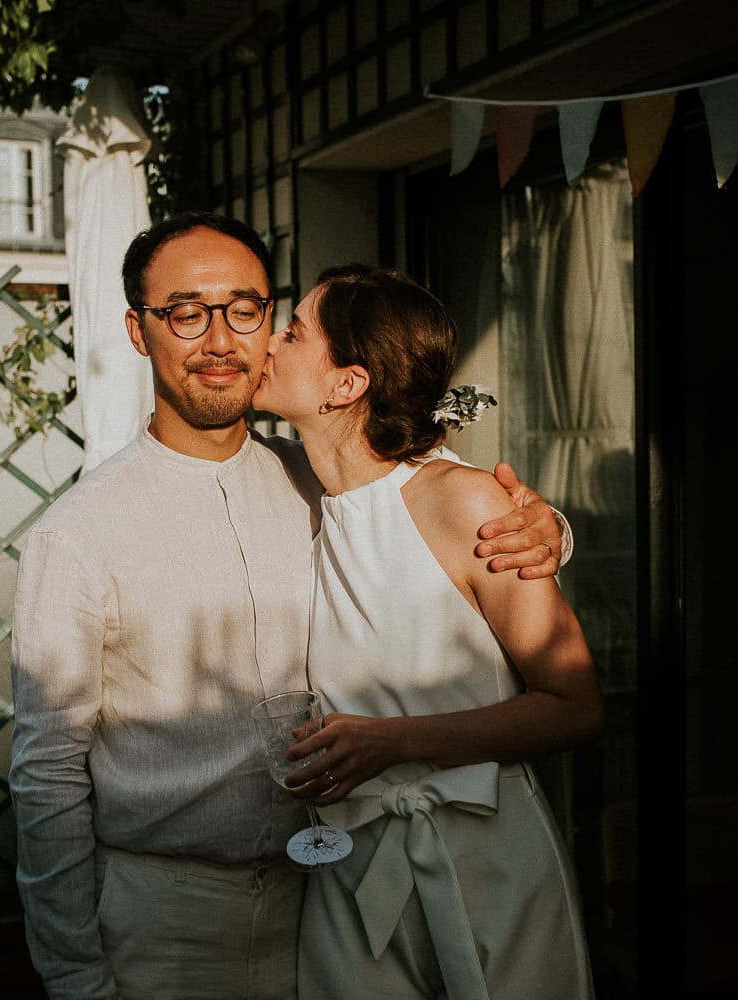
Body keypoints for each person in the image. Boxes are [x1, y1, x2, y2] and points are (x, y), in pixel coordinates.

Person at [9, 212, 570, 1000]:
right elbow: (46, 776)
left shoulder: (320, 483)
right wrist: (73, 974)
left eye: (245, 310)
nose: (220, 340)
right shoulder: (77, 535)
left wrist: (545, 529)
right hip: (164, 927)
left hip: (324, 902)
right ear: (140, 332)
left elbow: (425, 506)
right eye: (185, 312)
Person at [254, 263, 602, 999]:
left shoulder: (466, 501)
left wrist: (392, 741)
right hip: (355, 865)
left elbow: (575, 705)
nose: (267, 344)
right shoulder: (300, 497)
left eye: (291, 333)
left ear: (346, 384)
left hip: (485, 857)